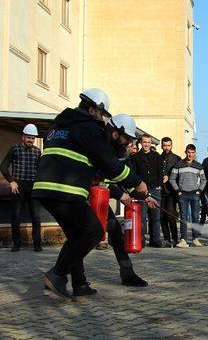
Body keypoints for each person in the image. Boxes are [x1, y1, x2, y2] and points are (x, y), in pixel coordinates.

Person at [32, 88, 150, 301]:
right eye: (102, 114)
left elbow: (98, 167)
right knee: (94, 232)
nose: (102, 119)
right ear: (93, 109)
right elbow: (109, 165)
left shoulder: (59, 127)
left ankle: (79, 284)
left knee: (77, 235)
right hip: (65, 191)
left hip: (44, 189)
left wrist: (135, 191)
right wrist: (137, 182)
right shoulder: (90, 129)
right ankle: (57, 274)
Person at [100, 114, 152, 287]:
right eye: (127, 139)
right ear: (115, 133)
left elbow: (127, 180)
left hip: (98, 197)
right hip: (82, 195)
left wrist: (146, 197)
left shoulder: (121, 153)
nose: (129, 144)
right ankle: (63, 273)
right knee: (84, 235)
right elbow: (99, 179)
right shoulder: (100, 147)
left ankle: (127, 274)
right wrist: (118, 194)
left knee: (114, 232)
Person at [0, 124, 42, 252]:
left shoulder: (37, 151)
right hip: (18, 187)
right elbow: (3, 167)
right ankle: (16, 244)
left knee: (35, 216)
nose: (31, 140)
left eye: (33, 138)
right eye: (28, 137)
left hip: (33, 187)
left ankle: (37, 244)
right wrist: (11, 181)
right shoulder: (15, 149)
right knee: (16, 215)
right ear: (23, 137)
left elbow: (40, 170)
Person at [130, 134, 165, 247]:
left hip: (155, 189)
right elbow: (134, 174)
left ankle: (155, 240)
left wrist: (159, 185)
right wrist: (137, 186)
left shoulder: (157, 156)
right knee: (142, 217)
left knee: (155, 217)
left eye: (149, 142)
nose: (147, 144)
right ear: (141, 142)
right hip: (141, 191)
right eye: (145, 142)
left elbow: (161, 172)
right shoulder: (135, 157)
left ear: (151, 143)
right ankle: (141, 240)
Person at [169, 144, 207, 248]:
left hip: (195, 194)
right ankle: (183, 240)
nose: (190, 154)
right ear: (185, 152)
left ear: (195, 153)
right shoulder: (178, 164)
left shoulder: (199, 166)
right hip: (182, 194)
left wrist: (200, 190)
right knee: (183, 217)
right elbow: (172, 178)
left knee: (195, 217)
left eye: (192, 153)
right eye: (188, 152)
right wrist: (178, 190)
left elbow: (204, 180)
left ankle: (195, 238)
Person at [160, 137, 180, 246]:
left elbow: (179, 176)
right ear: (162, 145)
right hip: (160, 192)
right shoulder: (157, 158)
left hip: (172, 192)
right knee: (162, 217)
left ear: (171, 145)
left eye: (168, 145)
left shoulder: (177, 158)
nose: (167, 147)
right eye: (165, 145)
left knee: (170, 216)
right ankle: (167, 239)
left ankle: (175, 239)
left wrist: (169, 176)